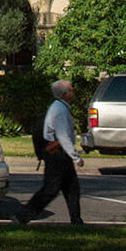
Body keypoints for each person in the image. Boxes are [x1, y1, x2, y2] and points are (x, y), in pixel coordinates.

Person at [13, 79, 85, 226]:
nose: (73, 93)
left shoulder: (61, 108)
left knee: (72, 189)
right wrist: (76, 157)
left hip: (60, 155)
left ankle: (76, 221)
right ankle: (23, 216)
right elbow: (63, 136)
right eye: (71, 90)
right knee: (50, 190)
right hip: (57, 155)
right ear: (65, 94)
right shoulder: (59, 111)